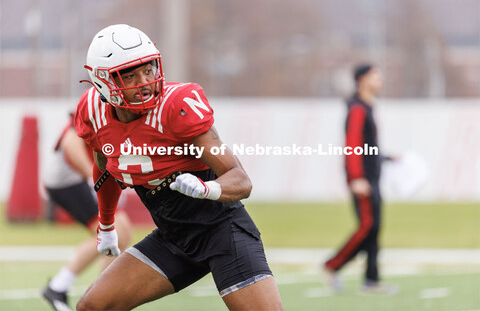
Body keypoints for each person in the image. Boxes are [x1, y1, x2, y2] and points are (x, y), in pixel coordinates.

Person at [73, 24, 283, 311]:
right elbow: (106, 171)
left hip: (222, 232)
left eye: (148, 70)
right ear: (101, 81)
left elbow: (241, 180)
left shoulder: (176, 106)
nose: (144, 82)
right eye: (130, 75)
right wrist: (107, 225)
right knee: (93, 306)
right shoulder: (94, 113)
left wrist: (207, 189)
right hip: (172, 238)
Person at [41, 114, 133, 311]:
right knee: (113, 232)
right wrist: (93, 180)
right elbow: (70, 141)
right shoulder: (97, 107)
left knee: (121, 231)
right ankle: (93, 294)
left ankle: (70, 287)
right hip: (68, 181)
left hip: (78, 179)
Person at [323, 64, 397, 294]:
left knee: (374, 228)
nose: (380, 78)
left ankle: (371, 280)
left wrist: (389, 158)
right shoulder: (357, 109)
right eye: (375, 75)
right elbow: (353, 144)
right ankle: (332, 265)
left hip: (371, 178)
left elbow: (368, 148)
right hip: (362, 180)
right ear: (362, 80)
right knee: (367, 226)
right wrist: (356, 178)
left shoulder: (367, 107)